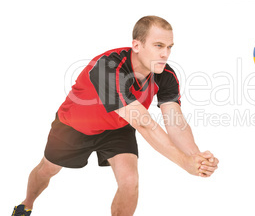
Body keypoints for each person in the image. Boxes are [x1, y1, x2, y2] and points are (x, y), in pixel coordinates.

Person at [12, 16, 219, 216]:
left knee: (130, 181)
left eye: (169, 46)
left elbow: (175, 121)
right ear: (136, 45)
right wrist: (185, 164)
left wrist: (196, 157)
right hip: (74, 126)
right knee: (47, 170)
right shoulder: (109, 68)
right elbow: (145, 125)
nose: (166, 53)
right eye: (158, 45)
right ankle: (26, 205)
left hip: (117, 128)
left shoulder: (166, 74)